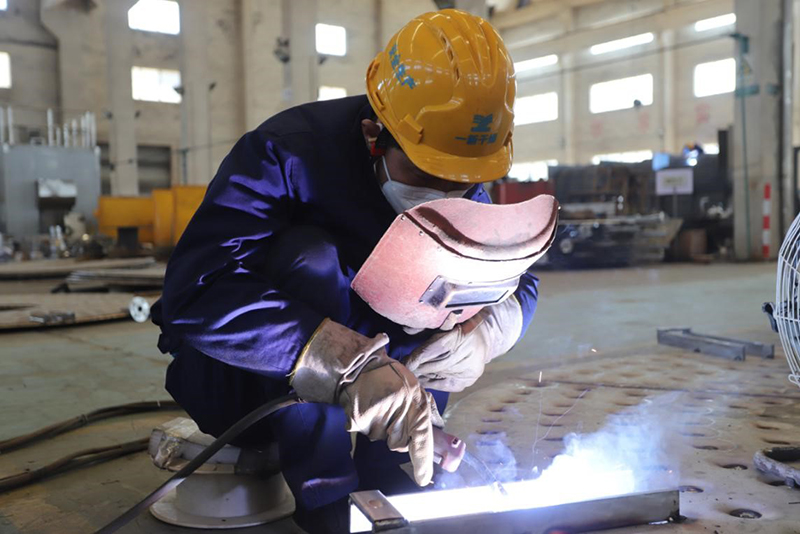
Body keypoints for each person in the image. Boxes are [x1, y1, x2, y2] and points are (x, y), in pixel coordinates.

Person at [152, 9, 541, 533]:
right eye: (425, 172)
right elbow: (196, 292)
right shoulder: (284, 152)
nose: (445, 196)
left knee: (446, 275)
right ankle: (328, 497)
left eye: (461, 182)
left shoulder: (456, 172)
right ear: (373, 133)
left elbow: (519, 278)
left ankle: (398, 468)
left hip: (384, 382)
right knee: (309, 258)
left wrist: (487, 332)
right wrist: (341, 364)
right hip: (244, 385)